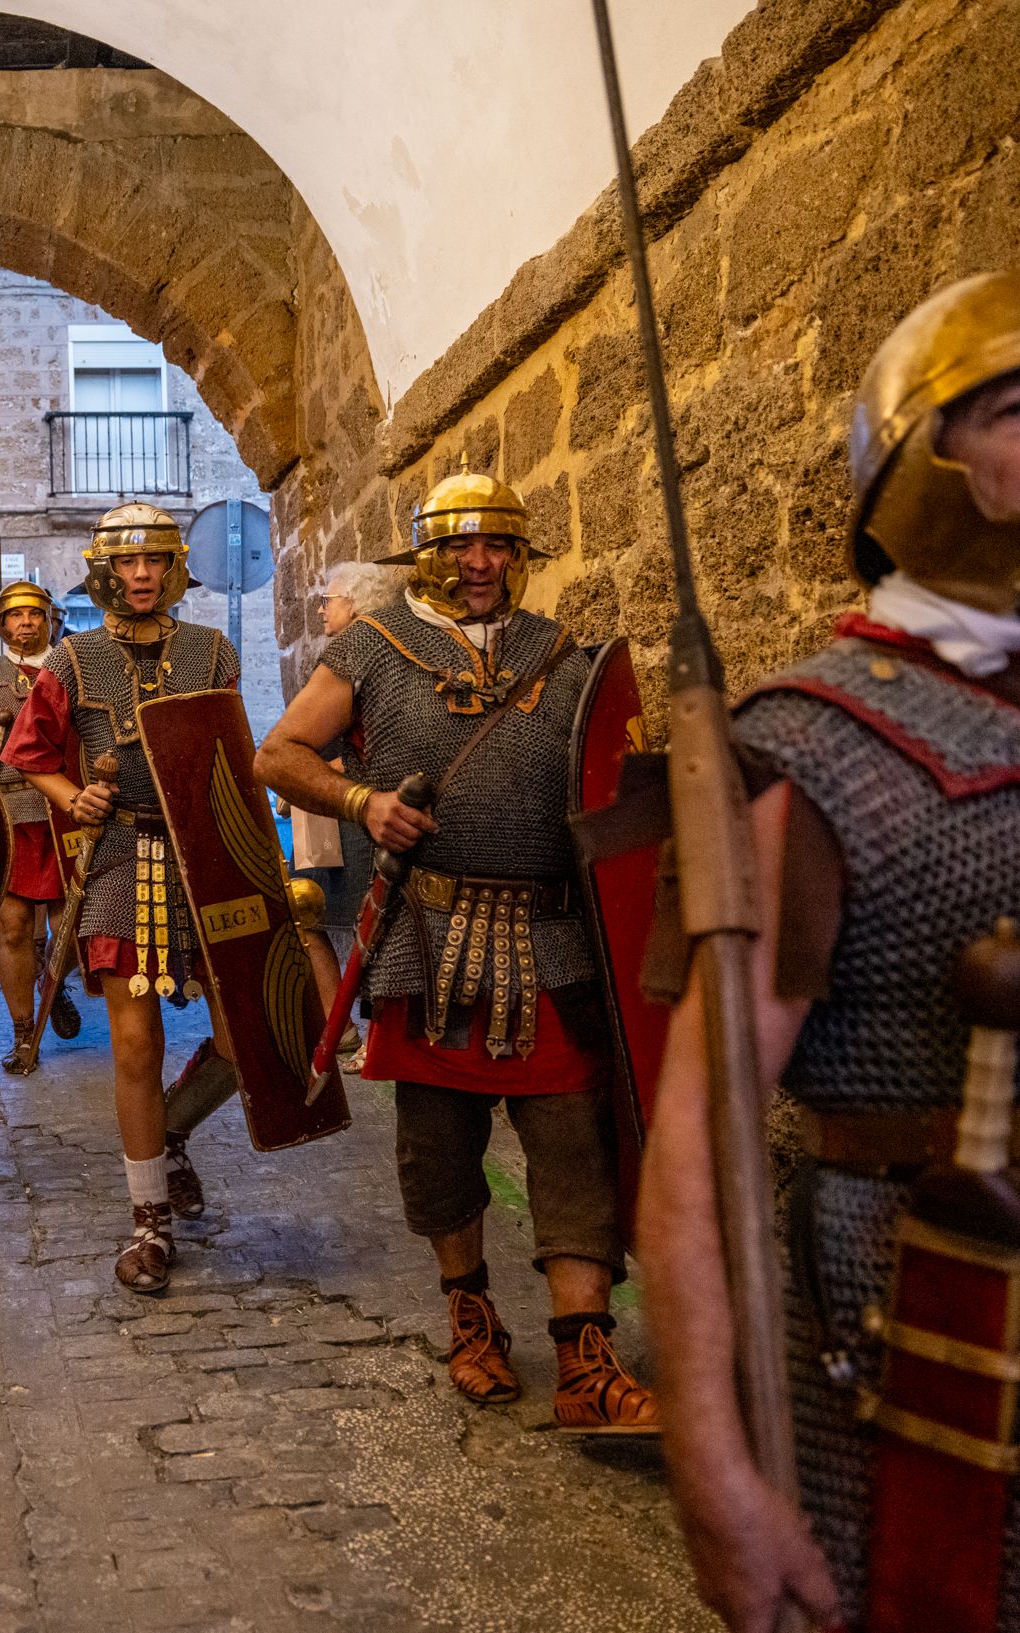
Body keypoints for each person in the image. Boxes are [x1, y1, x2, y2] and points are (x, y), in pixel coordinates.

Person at [642, 271, 1020, 1633]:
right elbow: (697, 1135)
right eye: (1017, 409)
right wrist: (712, 1466)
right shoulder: (818, 749)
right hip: (922, 1314)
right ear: (925, 460)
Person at [254, 471, 657, 1432]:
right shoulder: (375, 646)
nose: (480, 564)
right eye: (460, 547)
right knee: (438, 1152)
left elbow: (615, 785)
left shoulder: (566, 655)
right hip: (426, 943)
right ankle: (470, 1317)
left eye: (500, 547)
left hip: (553, 940)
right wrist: (363, 802)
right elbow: (278, 755)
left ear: (520, 558)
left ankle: (584, 1357)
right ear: (425, 556)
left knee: (573, 1151)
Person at [3, 504, 240, 1293]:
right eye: (126, 564)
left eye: (155, 562)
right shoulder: (74, 659)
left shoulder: (212, 651)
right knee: (135, 1044)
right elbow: (27, 752)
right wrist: (72, 797)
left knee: (246, 1038)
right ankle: (149, 1219)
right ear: (104, 571)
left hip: (208, 856)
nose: (141, 576)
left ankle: (172, 1130)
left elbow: (232, 753)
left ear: (174, 568)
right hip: (122, 857)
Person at [0, 580, 82, 1072]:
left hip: (66, 814)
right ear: (1, 624)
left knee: (69, 929)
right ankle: (24, 1032)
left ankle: (52, 981)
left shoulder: (74, 672)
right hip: (8, 817)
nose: (26, 622)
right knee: (11, 930)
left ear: (50, 620)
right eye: (15, 615)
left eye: (35, 614)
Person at [289, 559, 401, 1069]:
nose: (321, 607)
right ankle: (345, 1031)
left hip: (359, 814)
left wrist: (312, 775)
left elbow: (378, 749)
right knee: (304, 914)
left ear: (353, 603)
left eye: (329, 599)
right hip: (330, 812)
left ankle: (378, 1039)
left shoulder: (378, 659)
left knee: (372, 925)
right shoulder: (342, 656)